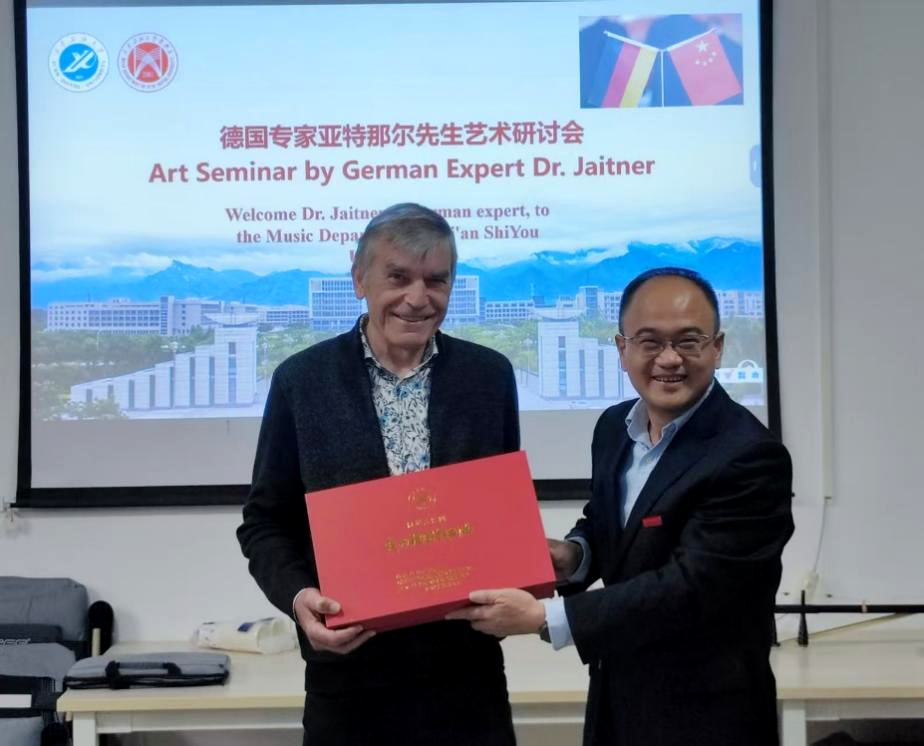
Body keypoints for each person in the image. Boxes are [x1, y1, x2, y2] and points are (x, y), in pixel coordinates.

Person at [448, 267, 794, 746]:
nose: (669, 359)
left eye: (689, 341)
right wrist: (574, 555)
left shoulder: (750, 456)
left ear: (717, 347)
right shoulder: (615, 427)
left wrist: (545, 617)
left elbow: (693, 587)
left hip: (707, 717)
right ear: (621, 349)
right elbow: (609, 522)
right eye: (649, 342)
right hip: (617, 701)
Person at [237, 203, 520, 746]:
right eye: (398, 277)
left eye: (436, 280)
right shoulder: (302, 382)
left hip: (467, 677)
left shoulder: (489, 378)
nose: (418, 297)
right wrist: (299, 598)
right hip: (349, 679)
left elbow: (499, 512)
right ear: (359, 279)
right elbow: (265, 523)